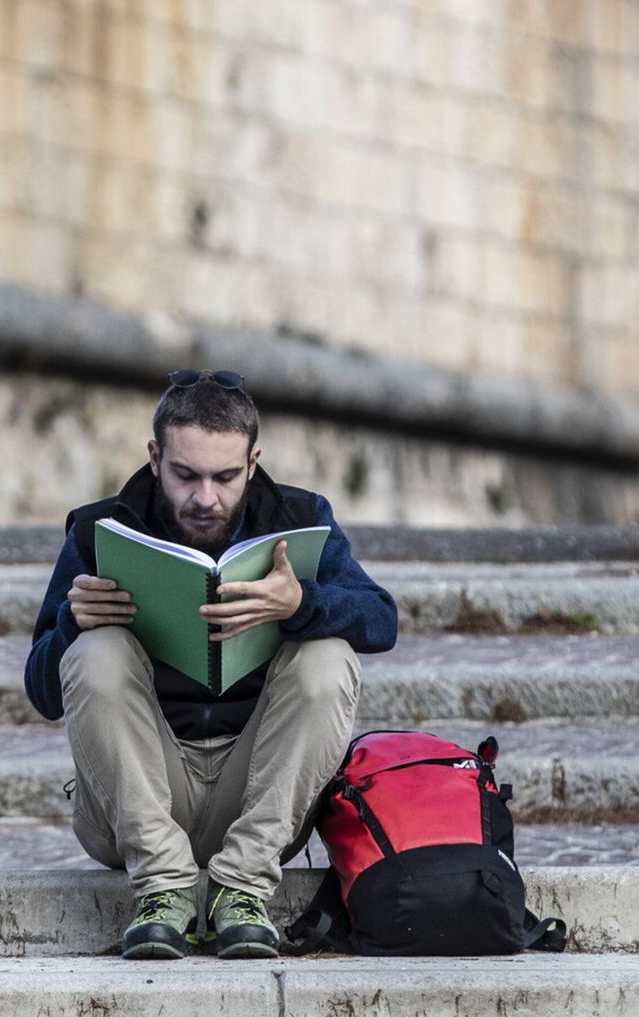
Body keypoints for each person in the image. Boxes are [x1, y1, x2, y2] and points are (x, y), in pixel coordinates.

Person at [24, 369, 398, 959]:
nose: (205, 498)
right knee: (95, 652)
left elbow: (383, 621)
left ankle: (241, 888)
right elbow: (43, 692)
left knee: (328, 655)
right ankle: (163, 892)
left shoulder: (299, 517)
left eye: (225, 477)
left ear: (254, 461)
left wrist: (303, 602)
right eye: (185, 475)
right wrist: (75, 620)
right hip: (135, 801)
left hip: (256, 799)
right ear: (155, 457)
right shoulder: (102, 529)